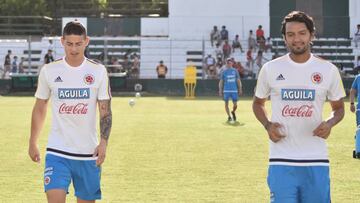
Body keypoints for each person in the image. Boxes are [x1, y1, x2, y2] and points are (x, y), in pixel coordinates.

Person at [252, 11, 345, 203]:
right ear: (284, 38)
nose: (297, 39)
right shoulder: (271, 69)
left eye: (302, 33)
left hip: (316, 160)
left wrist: (330, 122)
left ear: (311, 35)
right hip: (281, 159)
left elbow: (339, 108)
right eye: (291, 34)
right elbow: (258, 103)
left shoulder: (328, 70)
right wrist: (267, 125)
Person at [28, 21, 112, 203]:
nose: (74, 49)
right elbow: (40, 107)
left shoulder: (98, 71)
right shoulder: (49, 71)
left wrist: (104, 142)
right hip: (57, 151)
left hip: (88, 154)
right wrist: (33, 142)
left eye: (78, 44)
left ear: (86, 41)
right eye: (69, 44)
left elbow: (105, 111)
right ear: (62, 41)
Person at [219, 58, 243, 122]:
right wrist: (220, 90)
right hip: (226, 90)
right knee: (226, 103)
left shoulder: (235, 71)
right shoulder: (224, 72)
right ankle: (229, 116)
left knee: (235, 105)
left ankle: (233, 111)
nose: (228, 64)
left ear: (232, 63)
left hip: (234, 90)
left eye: (230, 63)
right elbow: (221, 81)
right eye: (227, 63)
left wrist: (240, 88)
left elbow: (238, 81)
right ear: (226, 63)